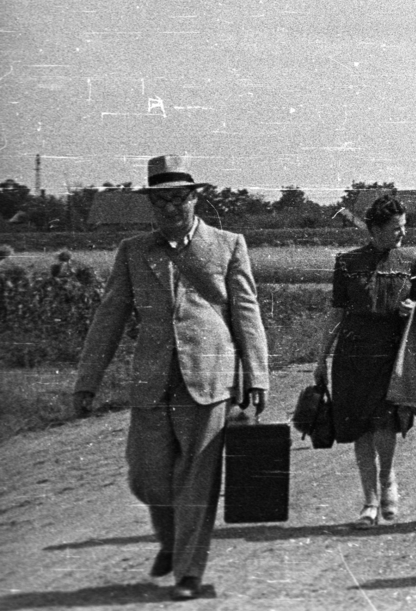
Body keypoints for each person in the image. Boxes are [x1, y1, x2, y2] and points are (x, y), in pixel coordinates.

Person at [73, 155, 270, 601]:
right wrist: (87, 380)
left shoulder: (228, 244)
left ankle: (188, 572)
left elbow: (246, 312)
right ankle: (169, 542)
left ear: (195, 198)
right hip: (151, 380)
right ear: (150, 204)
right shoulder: (133, 250)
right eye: (159, 201)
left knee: (197, 479)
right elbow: (109, 318)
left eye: (177, 198)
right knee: (148, 479)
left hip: (210, 379)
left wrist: (256, 375)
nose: (168, 208)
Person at [314, 194, 416, 527]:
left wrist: (415, 309)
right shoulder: (347, 263)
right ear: (374, 229)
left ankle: (387, 478)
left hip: (391, 356)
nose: (402, 235)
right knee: (359, 427)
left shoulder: (412, 262)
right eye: (395, 228)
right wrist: (321, 358)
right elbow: (337, 312)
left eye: (404, 228)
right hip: (352, 355)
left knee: (384, 422)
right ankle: (369, 501)